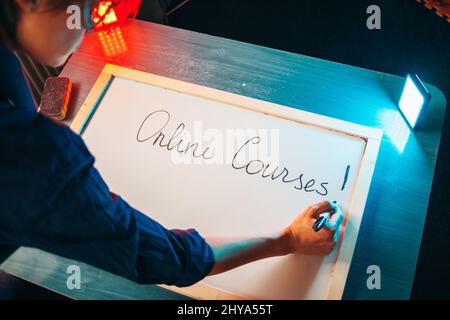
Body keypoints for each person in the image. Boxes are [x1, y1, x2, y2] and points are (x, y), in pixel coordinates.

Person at [0, 0, 342, 293]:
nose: (89, 27)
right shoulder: (33, 157)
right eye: (88, 11)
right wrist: (287, 240)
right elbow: (163, 256)